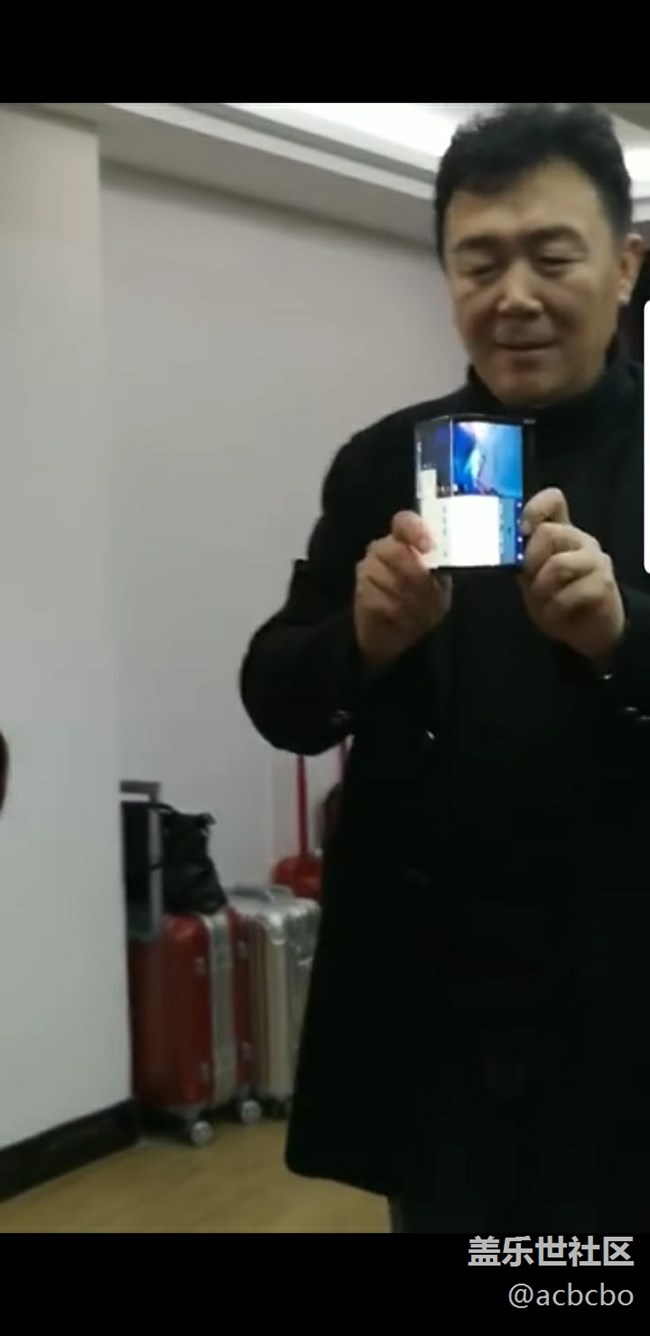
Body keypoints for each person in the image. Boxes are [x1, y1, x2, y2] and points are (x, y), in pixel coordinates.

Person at [239, 103, 650, 1234]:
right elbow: (278, 690)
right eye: (478, 262)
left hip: (624, 1013)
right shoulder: (384, 459)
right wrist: (362, 641)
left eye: (551, 256)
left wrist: (623, 636)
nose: (513, 295)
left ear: (624, 265)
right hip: (435, 1017)